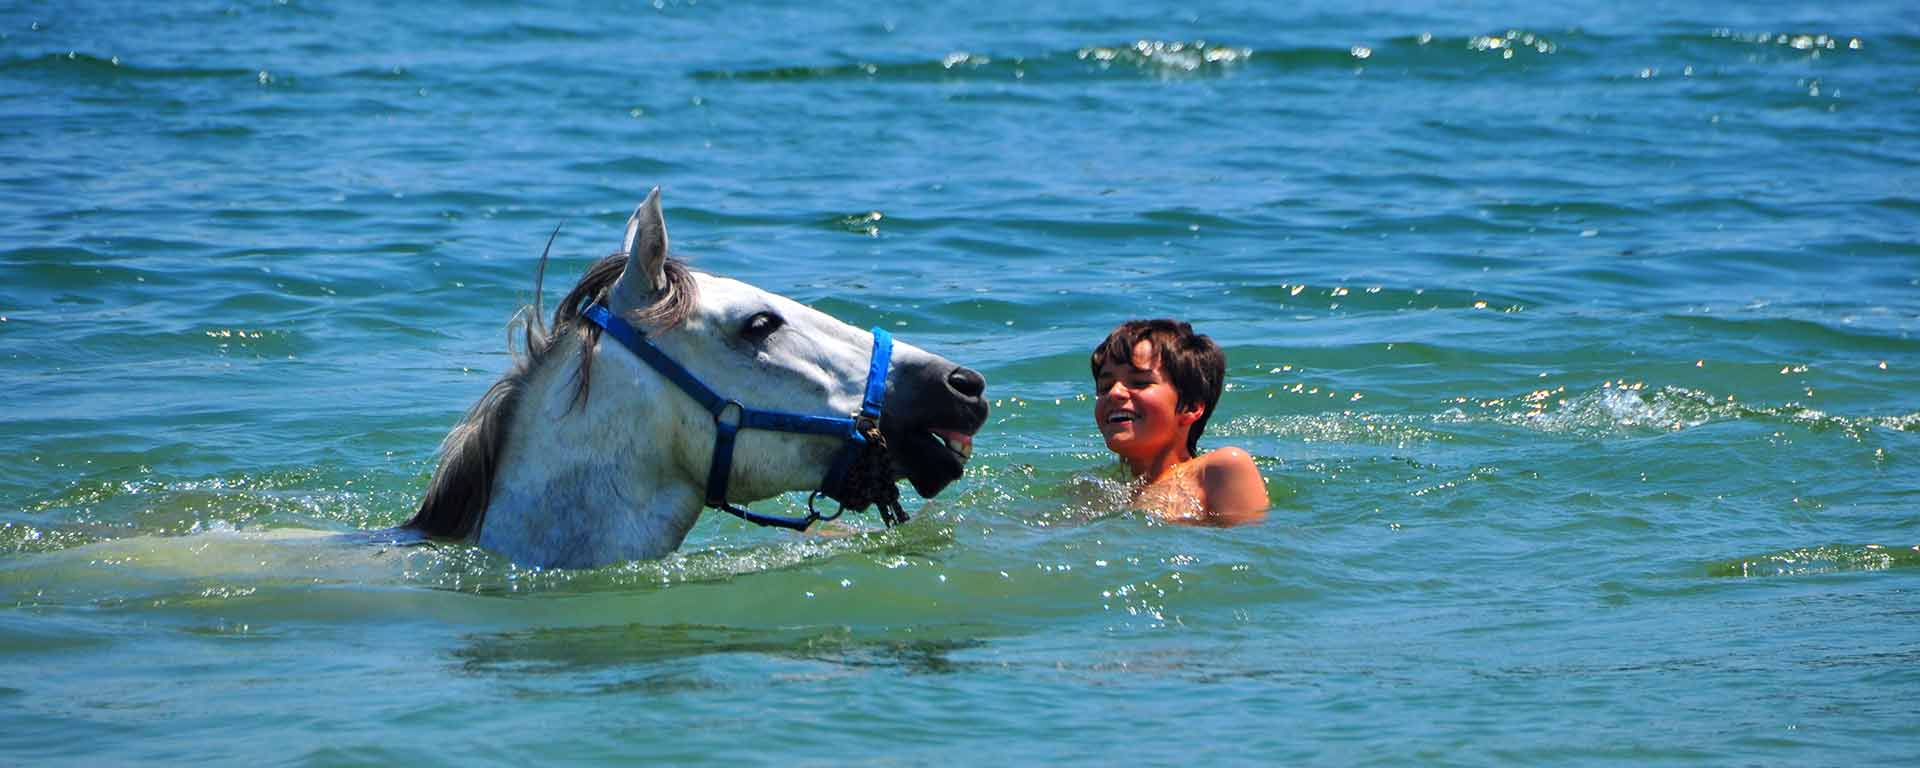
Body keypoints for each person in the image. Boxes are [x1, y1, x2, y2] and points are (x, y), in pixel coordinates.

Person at [1091, 319, 1268, 525]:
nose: (1114, 393)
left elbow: (1251, 547)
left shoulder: (1218, 469)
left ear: (1191, 407)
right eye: (1105, 386)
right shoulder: (1098, 488)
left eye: (1140, 383)